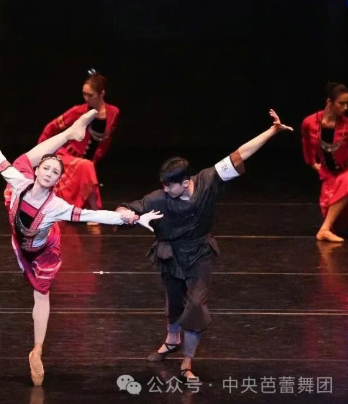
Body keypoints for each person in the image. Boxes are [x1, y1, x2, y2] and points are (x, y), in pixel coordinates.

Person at [0, 98, 161, 386]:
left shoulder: (56, 206)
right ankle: (70, 133)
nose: (49, 173)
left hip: (43, 251)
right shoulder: (19, 181)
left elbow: (94, 215)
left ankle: (37, 350)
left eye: (55, 172)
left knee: (41, 293)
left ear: (58, 180)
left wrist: (131, 219)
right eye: (45, 168)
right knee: (18, 162)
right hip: (20, 233)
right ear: (37, 171)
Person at [116, 110, 293, 380]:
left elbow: (240, 154)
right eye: (163, 185)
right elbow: (129, 207)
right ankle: (172, 340)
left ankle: (187, 361)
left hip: (199, 252)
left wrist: (272, 131)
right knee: (174, 302)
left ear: (186, 182)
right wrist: (125, 214)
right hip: (170, 254)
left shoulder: (208, 181)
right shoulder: (158, 198)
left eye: (170, 186)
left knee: (196, 305)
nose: (165, 190)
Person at [35, 69, 119, 211]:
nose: (86, 98)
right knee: (87, 167)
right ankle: (95, 212)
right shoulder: (79, 111)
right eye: (84, 94)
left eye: (90, 95)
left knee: (88, 169)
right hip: (68, 156)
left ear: (102, 94)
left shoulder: (113, 113)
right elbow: (51, 127)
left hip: (88, 160)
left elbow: (107, 139)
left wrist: (97, 156)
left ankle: (90, 212)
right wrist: (42, 152)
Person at [301, 82, 348, 242]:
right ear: (329, 101)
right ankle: (329, 227)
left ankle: (324, 230)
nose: (346, 107)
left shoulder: (346, 125)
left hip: (346, 172)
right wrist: (315, 165)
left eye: (347, 103)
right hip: (329, 178)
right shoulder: (309, 123)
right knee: (339, 224)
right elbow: (307, 147)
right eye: (342, 103)